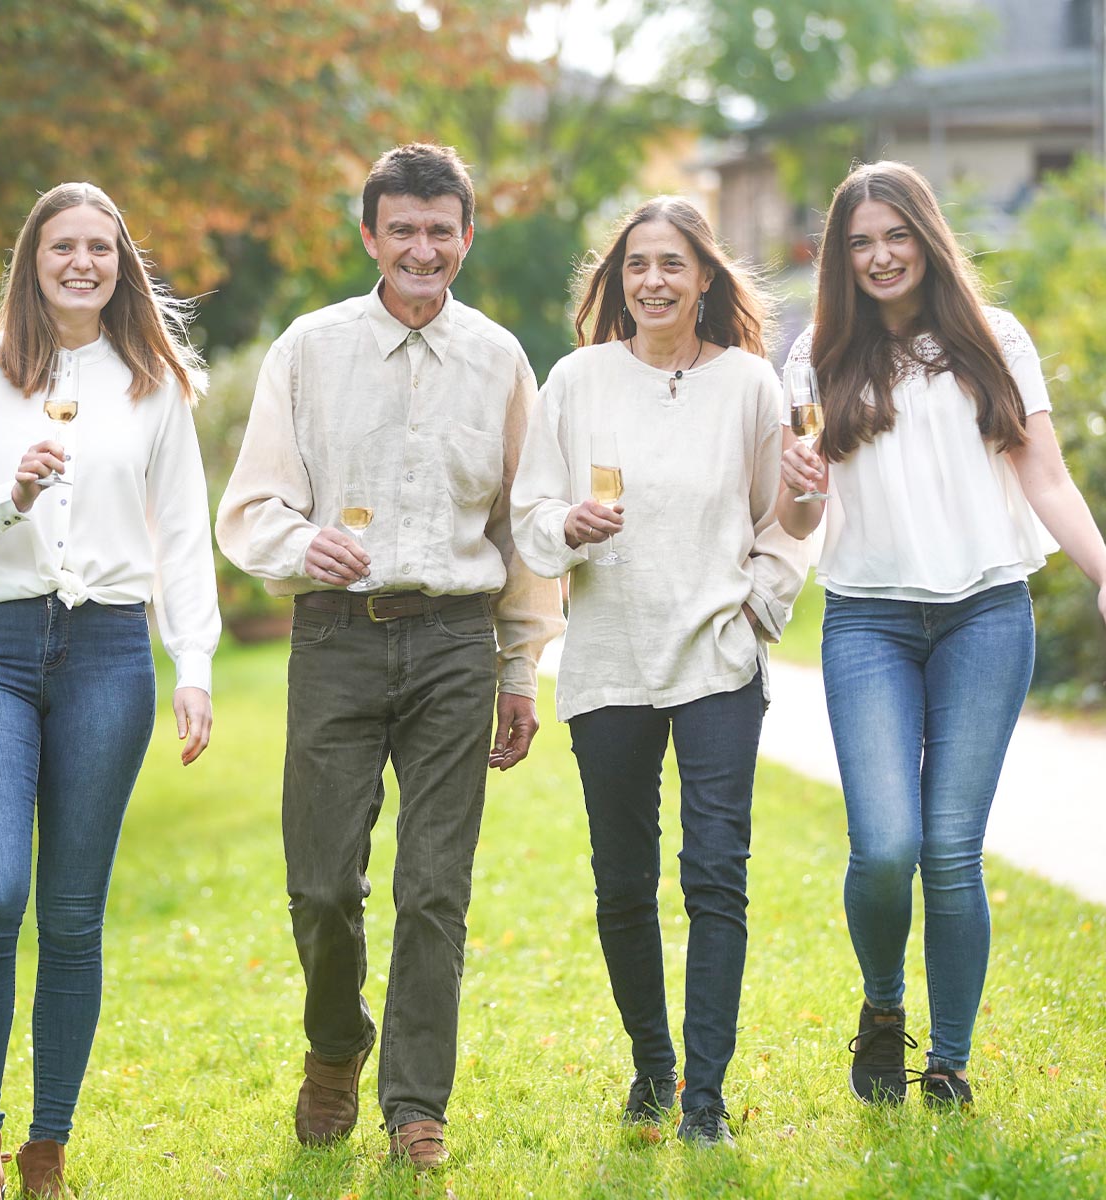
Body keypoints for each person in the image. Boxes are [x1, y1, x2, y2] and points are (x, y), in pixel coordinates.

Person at [215, 142, 564, 1171]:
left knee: (434, 888)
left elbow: (522, 528)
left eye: (439, 230)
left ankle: (416, 1101)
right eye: (401, 229)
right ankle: (335, 1046)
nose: (422, 248)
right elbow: (250, 506)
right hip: (336, 636)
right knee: (322, 883)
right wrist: (296, 543)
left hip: (456, 641)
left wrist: (517, 669)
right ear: (370, 236)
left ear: (465, 238)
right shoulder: (309, 350)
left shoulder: (501, 360)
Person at [777, 160, 1106, 1109]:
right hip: (868, 621)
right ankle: (884, 1010)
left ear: (926, 235)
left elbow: (1045, 477)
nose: (881, 257)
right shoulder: (816, 359)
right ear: (841, 258)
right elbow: (799, 524)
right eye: (860, 243)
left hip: (986, 614)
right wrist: (799, 489)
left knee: (952, 850)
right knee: (885, 845)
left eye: (896, 235)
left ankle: (949, 1063)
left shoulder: (996, 339)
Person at [0, 182, 220, 1199]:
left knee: (75, 912)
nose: (83, 262)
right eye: (64, 246)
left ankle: (46, 1149)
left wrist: (197, 667)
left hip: (106, 655)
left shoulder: (152, 382)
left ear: (121, 262)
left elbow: (182, 536)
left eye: (101, 246)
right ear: (32, 259)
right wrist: (9, 497)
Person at [511, 196, 809, 1146]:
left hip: (719, 657)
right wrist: (567, 526)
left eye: (672, 264)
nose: (652, 281)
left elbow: (786, 519)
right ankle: (653, 1068)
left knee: (716, 873)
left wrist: (762, 603)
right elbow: (530, 515)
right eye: (636, 265)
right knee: (622, 880)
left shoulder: (751, 386)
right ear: (616, 280)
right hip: (607, 661)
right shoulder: (575, 380)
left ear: (705, 278)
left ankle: (707, 1100)